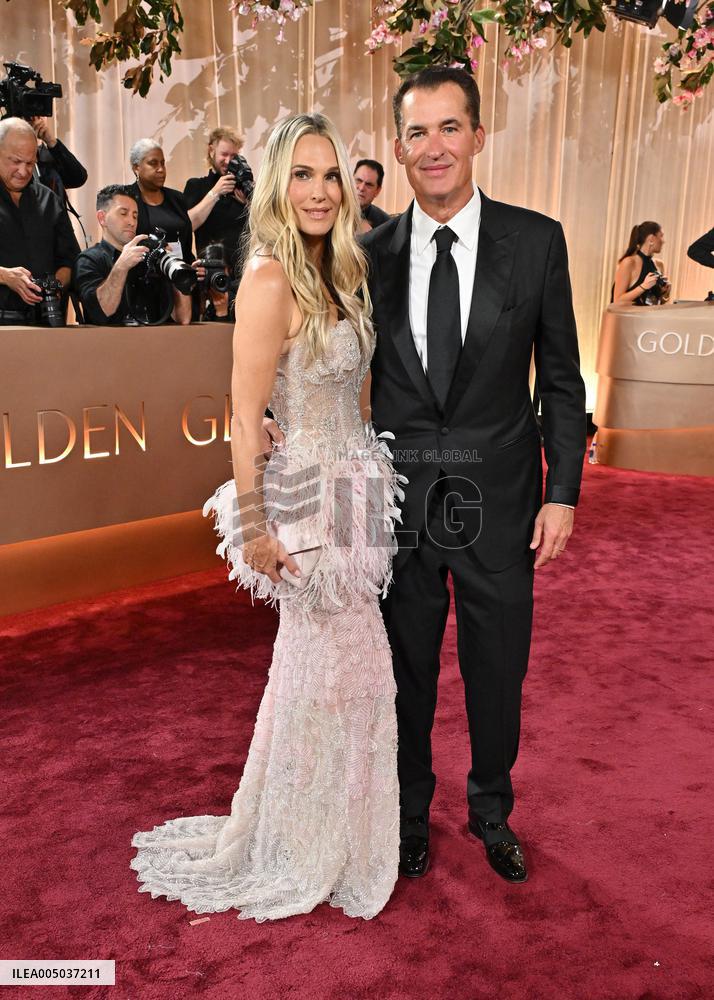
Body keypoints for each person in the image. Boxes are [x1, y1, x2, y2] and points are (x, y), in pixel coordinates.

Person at [130, 113, 402, 921]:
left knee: (338, 679)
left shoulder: (340, 270)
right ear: (279, 185)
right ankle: (307, 841)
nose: (320, 191)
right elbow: (245, 416)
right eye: (304, 175)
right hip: (305, 507)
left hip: (355, 493)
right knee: (337, 674)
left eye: (331, 175)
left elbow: (345, 396)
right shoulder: (269, 278)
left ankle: (330, 832)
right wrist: (255, 526)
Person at [362, 67, 586, 884]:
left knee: (498, 671)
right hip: (401, 510)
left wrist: (562, 490)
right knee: (405, 674)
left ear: (479, 136)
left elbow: (561, 379)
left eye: (449, 128)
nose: (434, 148)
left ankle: (491, 809)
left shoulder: (536, 241)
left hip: (502, 505)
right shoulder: (369, 256)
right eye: (417, 133)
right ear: (398, 148)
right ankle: (409, 813)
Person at [0, 117, 80, 324]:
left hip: (45, 324)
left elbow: (70, 259)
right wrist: (4, 276)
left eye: (30, 163)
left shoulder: (49, 199)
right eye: (15, 161)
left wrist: (55, 285)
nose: (23, 171)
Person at [183, 127, 250, 320]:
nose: (228, 161)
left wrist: (250, 203)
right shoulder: (197, 186)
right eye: (224, 154)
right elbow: (187, 226)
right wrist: (215, 193)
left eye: (234, 155)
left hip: (244, 278)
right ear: (211, 151)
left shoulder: (244, 191)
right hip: (212, 277)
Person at [126, 139, 195, 324]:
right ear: (136, 167)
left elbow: (186, 242)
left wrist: (192, 267)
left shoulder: (177, 199)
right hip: (142, 283)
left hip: (178, 279)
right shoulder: (126, 198)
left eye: (163, 163)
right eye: (153, 163)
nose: (161, 169)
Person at [72, 185, 149, 325]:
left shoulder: (145, 258)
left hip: (154, 340)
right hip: (107, 343)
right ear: (102, 218)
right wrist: (121, 267)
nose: (132, 222)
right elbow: (101, 312)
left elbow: (183, 318)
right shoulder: (88, 260)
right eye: (123, 213)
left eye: (135, 216)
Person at [30, 115, 87, 209]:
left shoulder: (50, 154)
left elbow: (78, 178)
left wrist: (51, 141)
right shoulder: (7, 157)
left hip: (56, 221)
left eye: (40, 115)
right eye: (30, 115)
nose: (36, 120)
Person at [611, 222, 671, 305]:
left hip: (650, 317)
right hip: (629, 317)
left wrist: (665, 293)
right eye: (661, 236)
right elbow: (617, 300)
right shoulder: (629, 263)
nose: (663, 241)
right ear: (651, 239)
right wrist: (643, 287)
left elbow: (658, 302)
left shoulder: (659, 265)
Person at [354, 158, 390, 230]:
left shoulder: (385, 223)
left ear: (377, 191)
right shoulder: (333, 210)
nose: (361, 188)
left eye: (368, 185)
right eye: (358, 181)